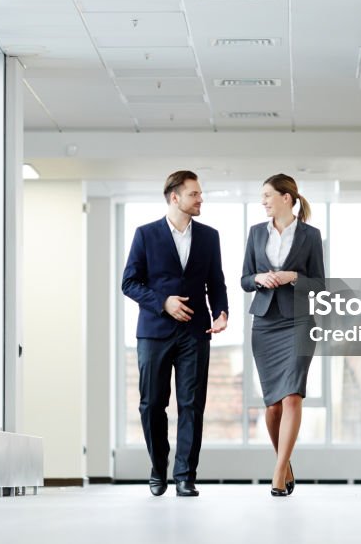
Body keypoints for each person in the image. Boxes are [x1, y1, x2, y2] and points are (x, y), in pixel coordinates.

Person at [122, 170, 229, 497]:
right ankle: (158, 467)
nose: (200, 199)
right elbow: (129, 283)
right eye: (194, 194)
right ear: (175, 197)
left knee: (191, 405)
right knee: (152, 404)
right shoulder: (146, 234)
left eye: (200, 194)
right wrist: (162, 303)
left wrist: (222, 311)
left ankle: (185, 476)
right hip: (154, 332)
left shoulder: (209, 237)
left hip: (195, 332)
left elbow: (216, 281)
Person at [241, 174, 325, 496]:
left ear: (286, 198)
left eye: (267, 195)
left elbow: (320, 284)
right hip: (265, 323)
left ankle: (278, 472)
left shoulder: (310, 236)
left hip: (300, 320)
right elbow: (244, 279)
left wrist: (293, 276)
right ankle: (286, 462)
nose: (263, 201)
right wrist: (260, 278)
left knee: (292, 395)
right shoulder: (255, 234)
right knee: (273, 405)